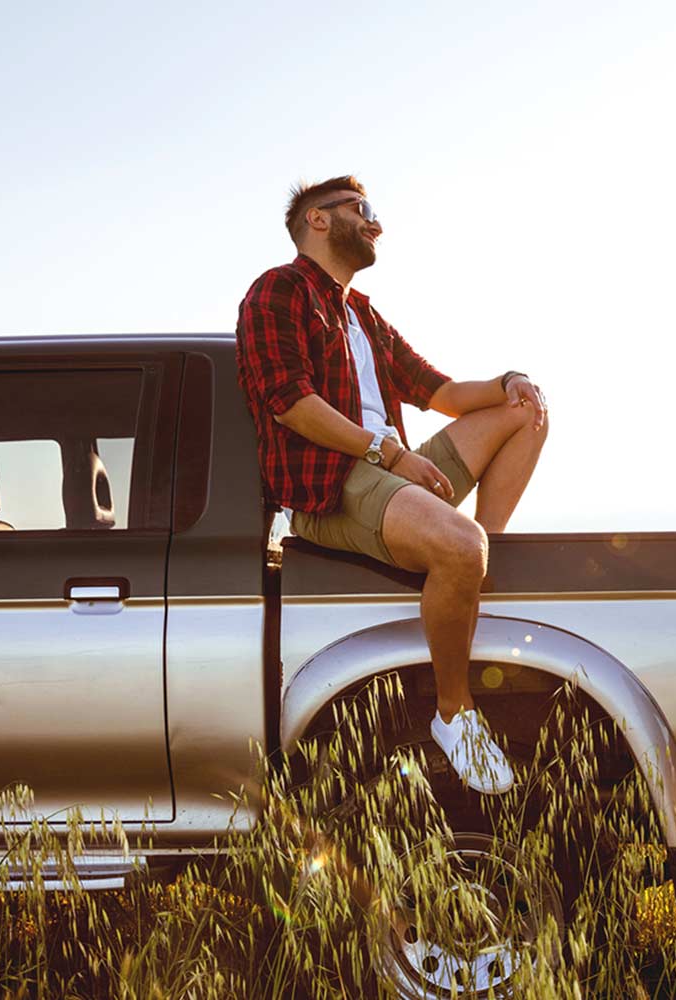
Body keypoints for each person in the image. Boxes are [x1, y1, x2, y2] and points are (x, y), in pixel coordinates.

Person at [235, 176, 548, 795]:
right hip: (332, 485)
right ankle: (455, 715)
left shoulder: (362, 313)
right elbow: (288, 401)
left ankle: (476, 558)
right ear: (318, 221)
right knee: (459, 548)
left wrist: (511, 379)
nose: (375, 223)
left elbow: (442, 393)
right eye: (362, 210)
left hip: (392, 473)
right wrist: (386, 451)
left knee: (525, 413)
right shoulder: (279, 290)